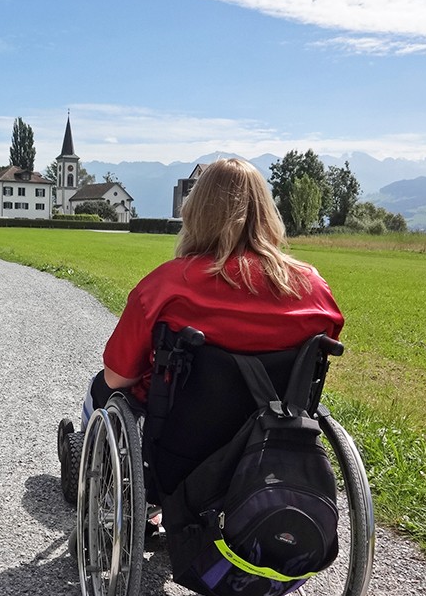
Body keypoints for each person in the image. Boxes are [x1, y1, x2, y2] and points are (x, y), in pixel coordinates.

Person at [78, 157, 344, 428]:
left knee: (99, 387)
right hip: (279, 440)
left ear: (196, 212)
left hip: (181, 442)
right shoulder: (313, 288)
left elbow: (116, 378)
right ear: (267, 212)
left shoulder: (165, 286)